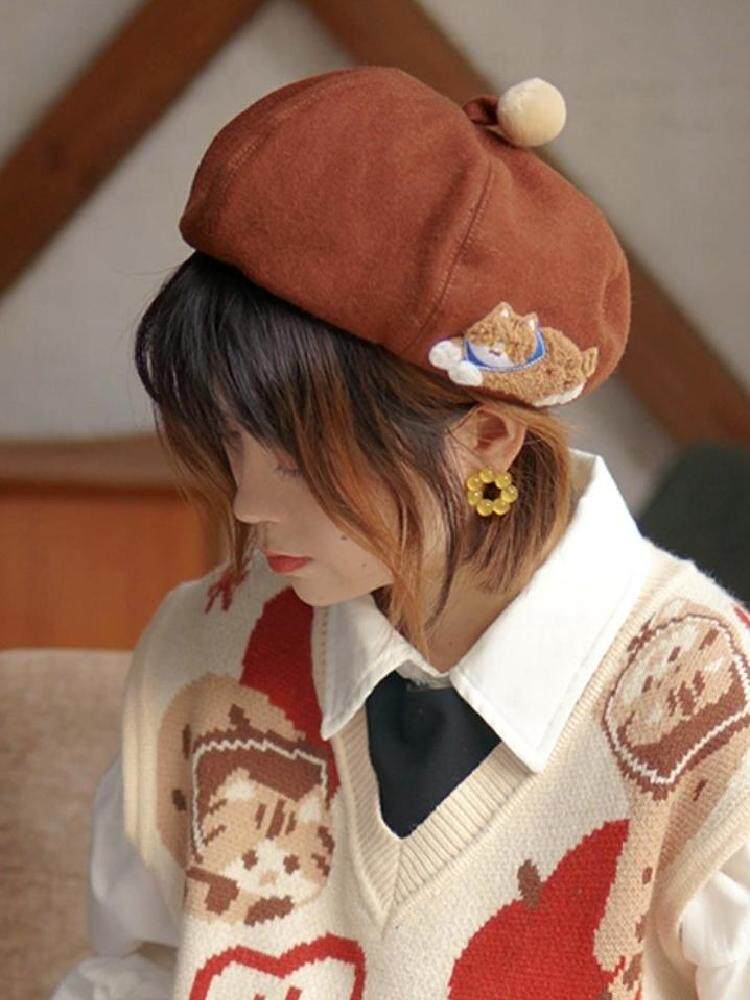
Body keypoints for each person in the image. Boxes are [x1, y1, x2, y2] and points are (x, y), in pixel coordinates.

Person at [53, 67, 750, 999]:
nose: (247, 505)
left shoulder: (713, 710)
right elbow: (137, 975)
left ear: (487, 439)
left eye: (298, 459)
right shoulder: (205, 645)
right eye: (228, 439)